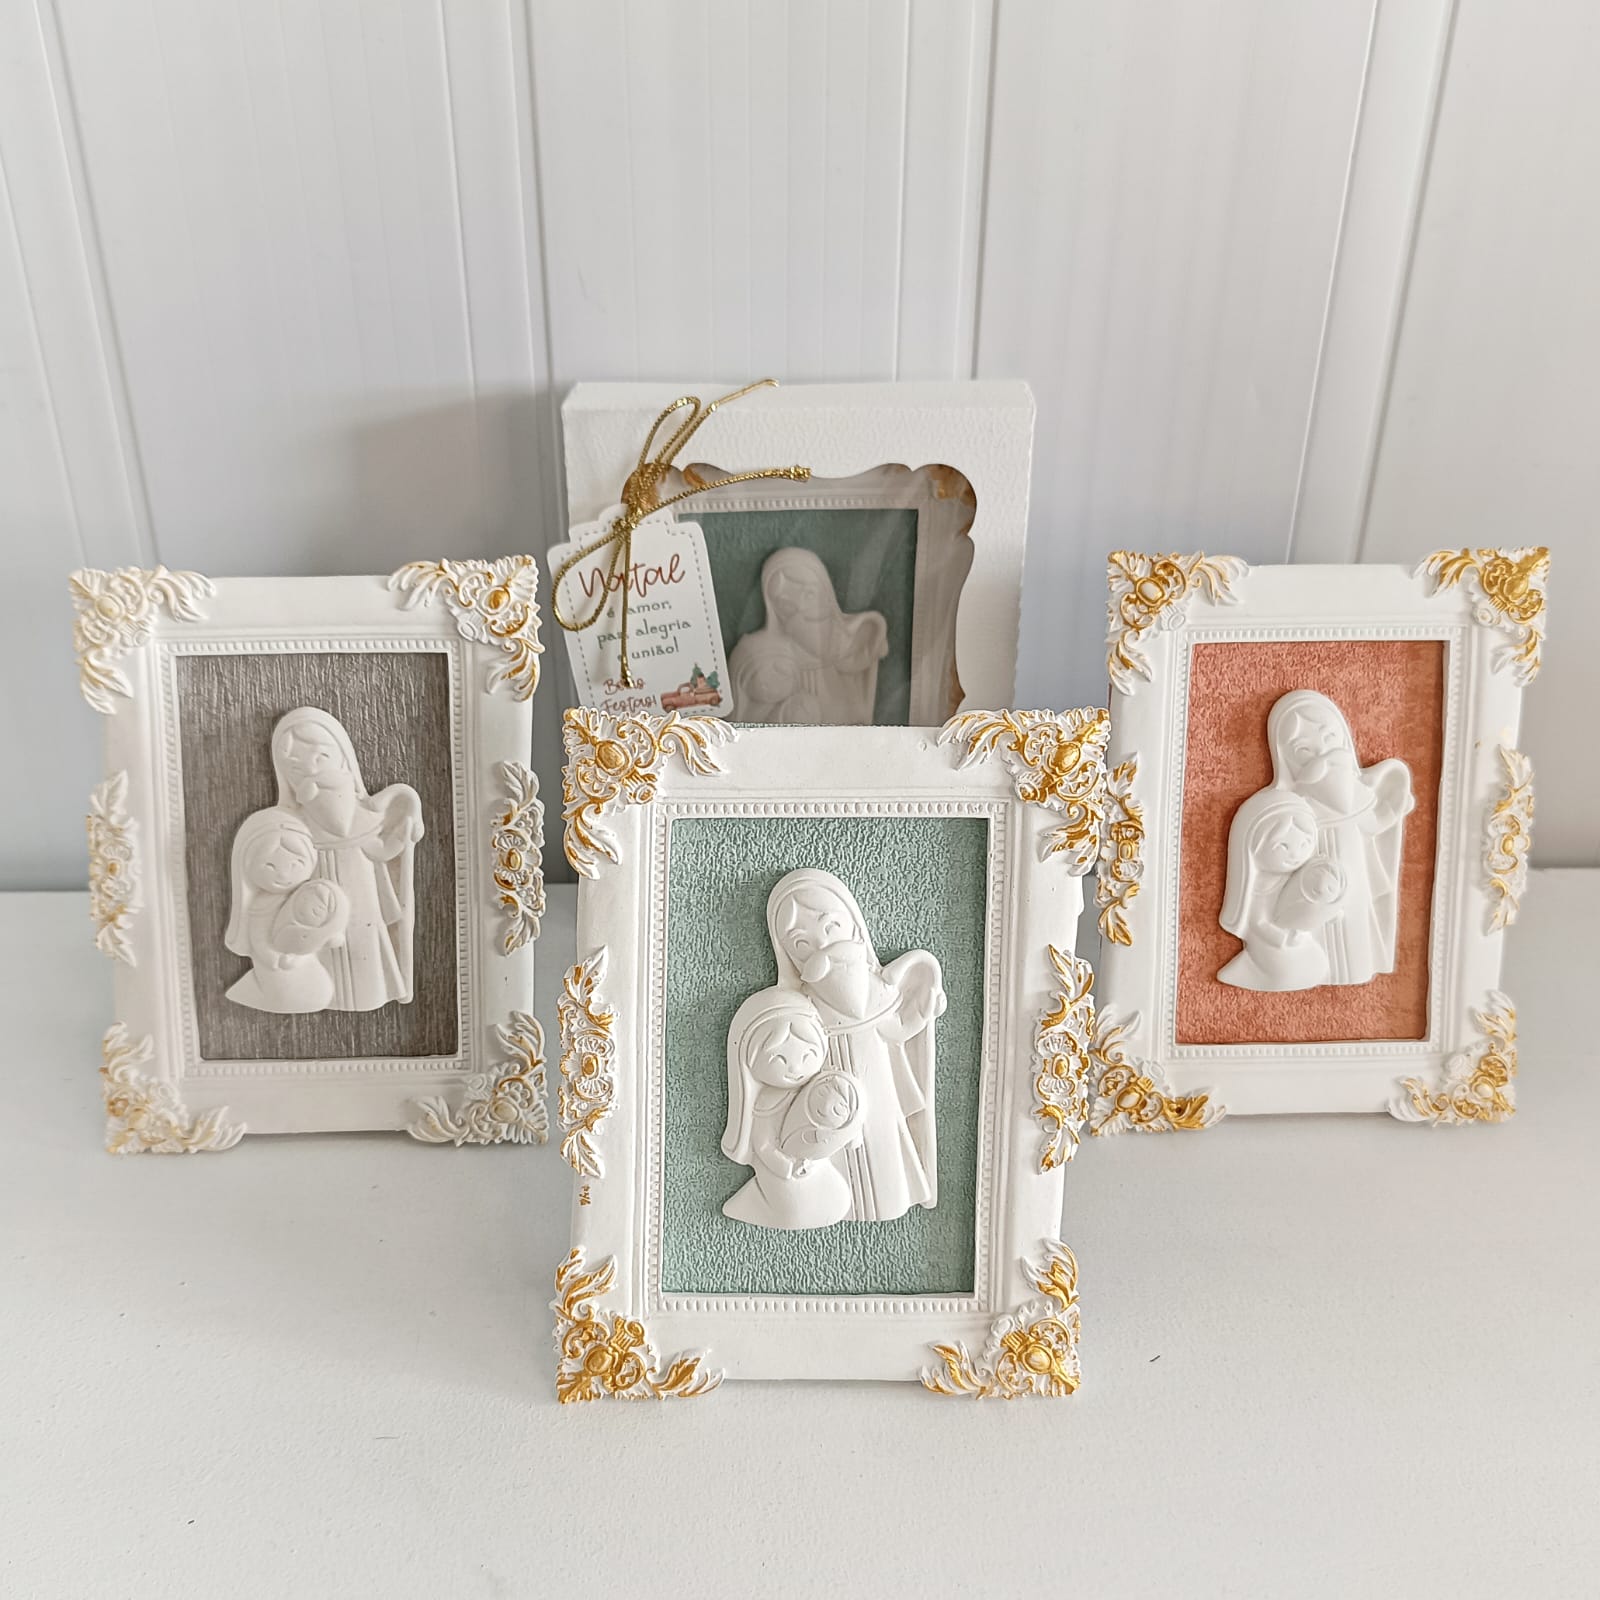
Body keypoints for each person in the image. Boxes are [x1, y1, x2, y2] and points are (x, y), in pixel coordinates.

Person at [765, 869, 944, 1223]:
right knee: (841, 1151)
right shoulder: (805, 1006)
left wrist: (922, 1014)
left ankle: (889, 1200)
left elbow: (895, 1030)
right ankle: (841, 1203)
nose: (822, 948)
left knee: (884, 1146)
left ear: (854, 928)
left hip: (878, 1091)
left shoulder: (875, 988)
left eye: (831, 928)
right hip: (830, 1101)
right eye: (801, 944)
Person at [252, 707, 424, 1011]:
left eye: (321, 759)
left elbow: (380, 850)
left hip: (362, 903)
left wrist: (402, 836)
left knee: (364, 945)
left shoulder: (361, 818)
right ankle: (323, 993)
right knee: (326, 948)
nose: (313, 774)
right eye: (298, 770)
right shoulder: (296, 827)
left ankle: (369, 993)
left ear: (343, 761)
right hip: (317, 908)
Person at [721, 988, 856, 1230]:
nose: (796, 1069)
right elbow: (763, 1144)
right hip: (782, 1174)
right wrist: (787, 1167)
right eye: (779, 1060)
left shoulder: (818, 1087)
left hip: (814, 1166)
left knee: (835, 1196)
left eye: (807, 1056)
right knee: (794, 1209)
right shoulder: (766, 1102)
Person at [728, 548, 888, 723]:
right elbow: (743, 712)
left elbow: (856, 651)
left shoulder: (845, 643)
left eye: (809, 594)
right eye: (785, 603)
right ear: (773, 608)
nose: (800, 608)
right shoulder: (764, 651)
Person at [223, 811, 349, 1012]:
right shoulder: (261, 904)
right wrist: (272, 958)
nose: (283, 875)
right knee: (284, 995)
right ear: (246, 865)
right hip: (275, 968)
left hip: (302, 965)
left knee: (318, 991)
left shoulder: (307, 895)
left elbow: (309, 937)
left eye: (295, 865)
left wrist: (307, 949)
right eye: (270, 866)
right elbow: (258, 938)